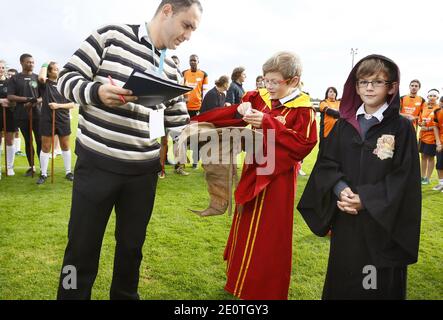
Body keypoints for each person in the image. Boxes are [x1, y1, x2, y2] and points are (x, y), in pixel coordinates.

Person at [56, 0, 202, 300]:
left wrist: (209, 142)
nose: (188, 36)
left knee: (131, 249)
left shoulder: (174, 69)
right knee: (80, 248)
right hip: (97, 165)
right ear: (167, 11)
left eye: (193, 30)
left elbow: (177, 125)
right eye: (187, 25)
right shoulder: (110, 36)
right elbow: (65, 79)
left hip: (142, 175)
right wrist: (96, 92)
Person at [194, 51, 317, 300]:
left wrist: (268, 122)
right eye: (265, 80)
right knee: (245, 225)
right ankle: (237, 282)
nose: (268, 86)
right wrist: (240, 109)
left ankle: (263, 290)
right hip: (253, 169)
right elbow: (232, 117)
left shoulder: (303, 109)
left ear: (293, 81)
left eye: (274, 82)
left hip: (278, 179)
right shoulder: (258, 97)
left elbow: (303, 144)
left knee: (269, 235)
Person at [298, 55, 421, 300]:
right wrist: (340, 189)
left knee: (373, 284)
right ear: (355, 86)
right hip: (347, 220)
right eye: (363, 81)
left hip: (382, 223)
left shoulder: (401, 128)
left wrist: (365, 199)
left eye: (377, 81)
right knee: (345, 278)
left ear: (392, 87)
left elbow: (404, 177)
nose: (369, 87)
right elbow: (326, 164)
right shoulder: (344, 125)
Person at [36, 62, 76, 185]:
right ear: (49, 72)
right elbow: (41, 77)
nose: (58, 71)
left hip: (63, 119)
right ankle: (43, 173)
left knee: (65, 145)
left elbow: (72, 104)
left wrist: (58, 106)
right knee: (46, 147)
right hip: (47, 119)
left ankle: (68, 172)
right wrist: (44, 64)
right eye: (55, 69)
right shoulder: (45, 84)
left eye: (58, 69)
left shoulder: (64, 85)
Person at [7, 54, 42, 177]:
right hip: (21, 115)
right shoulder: (14, 79)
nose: (31, 64)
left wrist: (35, 101)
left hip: (37, 114)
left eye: (32, 62)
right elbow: (10, 96)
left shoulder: (38, 78)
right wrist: (27, 99)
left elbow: (43, 96)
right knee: (28, 141)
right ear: (21, 62)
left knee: (40, 140)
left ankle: (43, 168)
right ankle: (31, 167)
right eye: (28, 62)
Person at [182, 54, 208, 169]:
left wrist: (202, 109)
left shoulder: (203, 74)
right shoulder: (184, 73)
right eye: (191, 60)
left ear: (198, 61)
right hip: (184, 109)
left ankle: (195, 160)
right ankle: (181, 159)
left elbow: (205, 92)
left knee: (196, 136)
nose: (192, 62)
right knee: (182, 134)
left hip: (197, 110)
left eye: (195, 60)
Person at [418, 89, 440, 185]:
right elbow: (419, 121)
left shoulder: (439, 108)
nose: (432, 97)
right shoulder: (424, 107)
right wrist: (421, 123)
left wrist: (428, 128)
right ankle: (422, 177)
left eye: (434, 96)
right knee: (423, 156)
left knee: (430, 157)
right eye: (430, 96)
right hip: (422, 137)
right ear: (427, 97)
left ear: (437, 98)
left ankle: (427, 178)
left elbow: (439, 125)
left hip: (432, 138)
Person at [318, 87, 340, 151]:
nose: (332, 93)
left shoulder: (339, 102)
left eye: (334, 92)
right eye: (330, 92)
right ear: (327, 94)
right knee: (323, 151)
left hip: (338, 132)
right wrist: (339, 113)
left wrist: (337, 113)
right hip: (326, 132)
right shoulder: (323, 102)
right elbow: (329, 111)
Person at [432, 96, 443, 192]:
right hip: (441, 142)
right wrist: (438, 142)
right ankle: (441, 183)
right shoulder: (437, 112)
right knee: (439, 163)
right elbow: (435, 127)